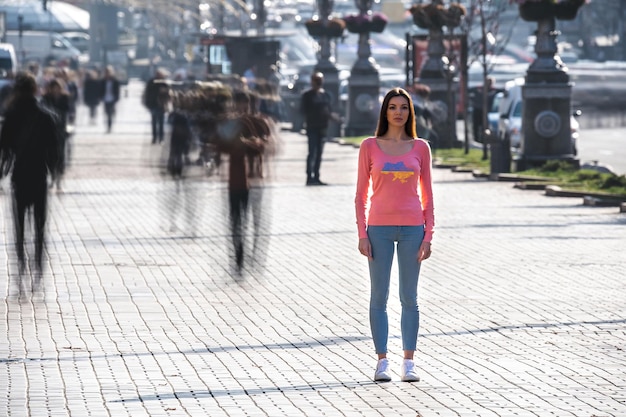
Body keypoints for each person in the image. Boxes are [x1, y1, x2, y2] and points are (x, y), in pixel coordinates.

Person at [354, 87, 435, 383]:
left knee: (409, 297)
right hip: (379, 230)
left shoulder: (420, 148)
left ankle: (409, 362)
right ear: (384, 112)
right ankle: (382, 361)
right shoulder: (369, 146)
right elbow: (360, 195)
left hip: (413, 228)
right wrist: (363, 233)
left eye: (403, 107)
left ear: (409, 112)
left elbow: (428, 196)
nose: (398, 112)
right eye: (392, 107)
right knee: (379, 296)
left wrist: (428, 236)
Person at [0, 72, 60, 278]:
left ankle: (21, 262)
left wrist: (3, 169)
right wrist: (54, 170)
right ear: (35, 89)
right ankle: (38, 263)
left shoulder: (11, 115)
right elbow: (54, 149)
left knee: (19, 225)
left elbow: (4, 148)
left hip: (19, 176)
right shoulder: (46, 117)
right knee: (39, 224)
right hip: (39, 176)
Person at [300, 72, 337, 186]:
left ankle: (316, 176)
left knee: (319, 153)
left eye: (320, 81)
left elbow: (329, 109)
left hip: (323, 127)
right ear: (312, 82)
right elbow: (303, 110)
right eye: (316, 80)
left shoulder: (325, 95)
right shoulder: (307, 95)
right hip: (312, 126)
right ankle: (309, 176)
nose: (318, 83)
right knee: (312, 152)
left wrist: (332, 117)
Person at [41, 78, 71, 190]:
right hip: (49, 130)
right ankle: (53, 178)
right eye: (53, 87)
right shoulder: (46, 98)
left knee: (60, 156)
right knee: (50, 156)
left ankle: (58, 180)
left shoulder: (65, 98)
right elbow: (42, 109)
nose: (55, 90)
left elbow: (68, 111)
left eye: (57, 87)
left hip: (61, 130)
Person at [143, 69, 170, 144]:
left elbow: (168, 93)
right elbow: (147, 93)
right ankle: (154, 138)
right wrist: (148, 103)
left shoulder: (164, 83)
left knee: (161, 123)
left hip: (161, 105)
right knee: (154, 122)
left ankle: (161, 138)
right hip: (153, 104)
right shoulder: (151, 82)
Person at [99, 65, 120, 133]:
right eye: (106, 72)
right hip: (105, 99)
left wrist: (116, 98)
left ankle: (109, 127)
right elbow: (100, 90)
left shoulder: (114, 81)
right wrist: (100, 97)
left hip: (112, 99)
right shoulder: (103, 81)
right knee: (107, 113)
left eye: (109, 72)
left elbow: (117, 91)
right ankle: (108, 125)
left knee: (110, 114)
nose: (108, 73)